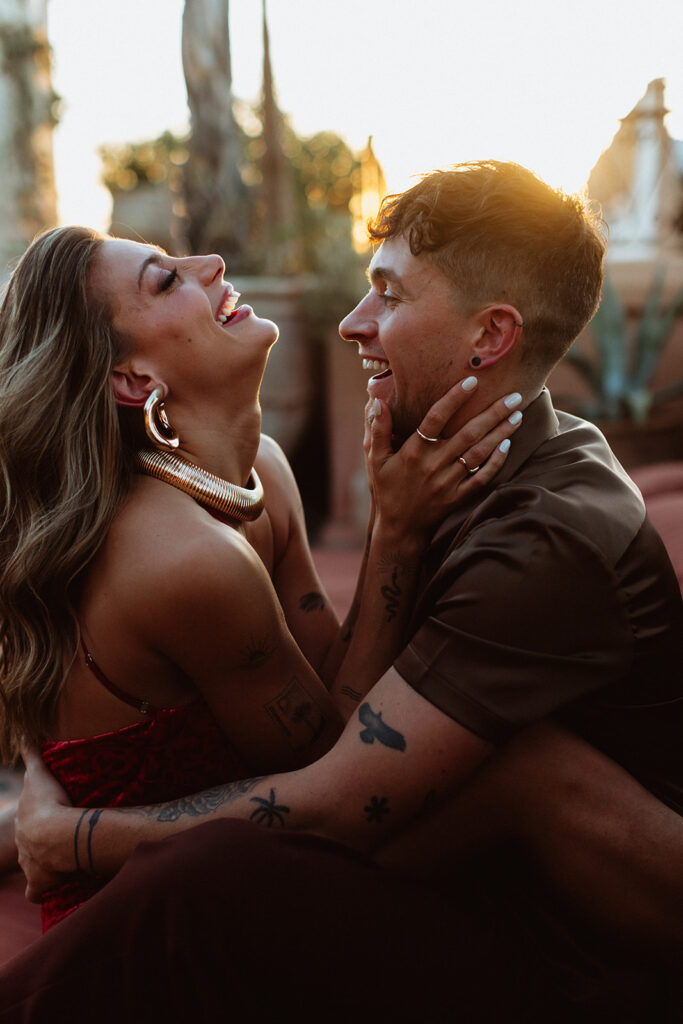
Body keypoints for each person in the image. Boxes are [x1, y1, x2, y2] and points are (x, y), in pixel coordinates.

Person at [5, 161, 683, 1022]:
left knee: (214, 876)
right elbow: (339, 718)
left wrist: (73, 838)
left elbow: (335, 791)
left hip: (579, 941)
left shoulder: (540, 534)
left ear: (490, 335)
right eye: (166, 278)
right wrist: (392, 531)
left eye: (388, 296)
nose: (352, 322)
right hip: (480, 880)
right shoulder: (450, 467)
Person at [0, 225, 519, 931]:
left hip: (244, 869)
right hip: (152, 928)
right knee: (524, 779)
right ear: (134, 380)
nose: (212, 262)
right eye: (165, 279)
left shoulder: (260, 470)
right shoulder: (185, 558)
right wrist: (395, 533)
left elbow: (330, 679)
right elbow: (335, 762)